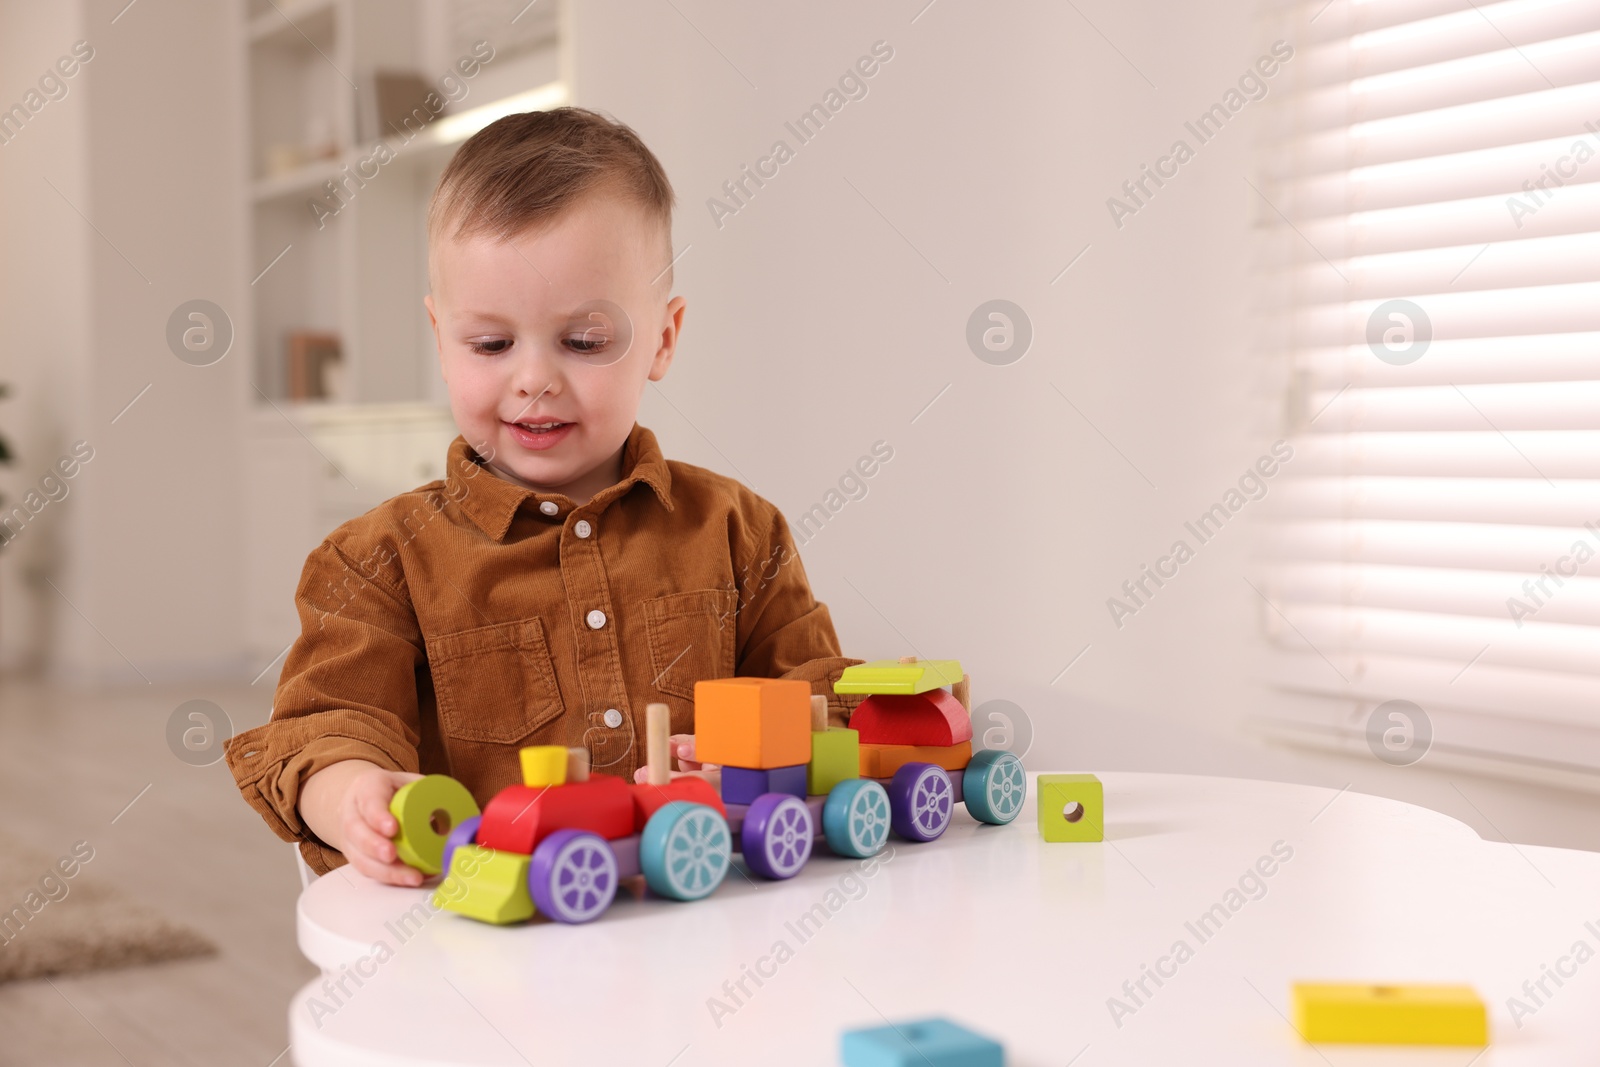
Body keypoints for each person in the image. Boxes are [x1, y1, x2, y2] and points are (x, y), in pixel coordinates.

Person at [224, 107, 863, 886]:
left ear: (662, 338)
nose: (534, 378)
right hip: (490, 946)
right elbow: (325, 728)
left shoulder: (739, 531)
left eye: (584, 341)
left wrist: (772, 738)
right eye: (491, 344)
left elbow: (820, 691)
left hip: (711, 922)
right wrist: (354, 796)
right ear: (441, 337)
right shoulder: (377, 562)